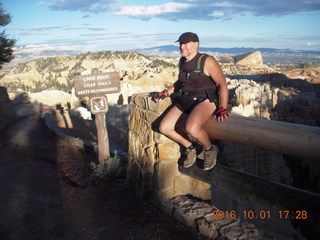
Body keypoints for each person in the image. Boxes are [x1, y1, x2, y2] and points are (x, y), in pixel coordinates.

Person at [153, 32, 229, 170]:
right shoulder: (182, 62)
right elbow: (180, 82)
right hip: (186, 98)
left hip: (205, 100)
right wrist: (166, 92)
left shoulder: (207, 61)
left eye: (185, 43)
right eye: (180, 43)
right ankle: (191, 147)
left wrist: (223, 107)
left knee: (191, 128)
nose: (182, 46)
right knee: (164, 127)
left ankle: (209, 150)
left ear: (195, 45)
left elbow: (222, 84)